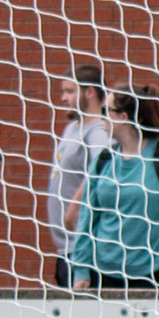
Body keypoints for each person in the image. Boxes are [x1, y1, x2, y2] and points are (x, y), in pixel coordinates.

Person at [70, 87, 159, 291]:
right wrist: (81, 270)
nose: (101, 118)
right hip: (105, 273)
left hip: (158, 271)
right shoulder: (104, 160)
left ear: (123, 117)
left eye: (106, 111)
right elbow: (87, 219)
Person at [50, 63, 108, 288]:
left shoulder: (98, 131)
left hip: (83, 250)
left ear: (90, 92)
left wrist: (74, 205)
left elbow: (102, 170)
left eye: (69, 91)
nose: (63, 98)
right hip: (64, 248)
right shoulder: (72, 128)